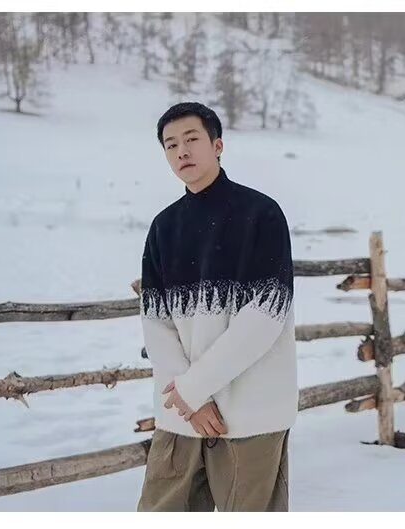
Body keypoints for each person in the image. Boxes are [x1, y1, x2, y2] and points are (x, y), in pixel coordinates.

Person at [137, 102, 298, 512]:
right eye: (171, 144)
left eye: (191, 139)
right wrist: (188, 398)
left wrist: (194, 389)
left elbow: (265, 317)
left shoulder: (261, 214)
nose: (182, 151)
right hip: (181, 416)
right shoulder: (163, 227)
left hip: (250, 412)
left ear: (218, 145)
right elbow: (156, 322)